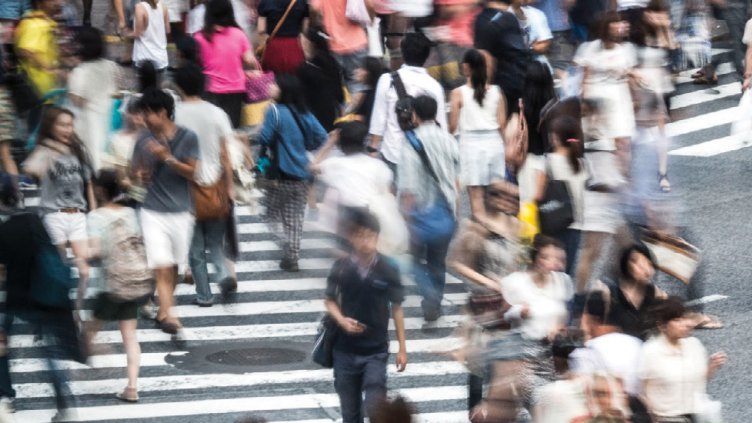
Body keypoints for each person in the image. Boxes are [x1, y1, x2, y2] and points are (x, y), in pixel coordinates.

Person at [0, 173, 83, 422]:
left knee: (3, 346)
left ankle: (6, 397)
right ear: (18, 196)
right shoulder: (35, 220)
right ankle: (64, 404)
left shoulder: (3, 231)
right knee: (50, 355)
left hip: (16, 297)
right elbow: (54, 252)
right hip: (43, 294)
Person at [446, 179, 525, 412]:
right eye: (500, 195)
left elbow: (518, 263)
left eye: (512, 197)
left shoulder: (517, 227)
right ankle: (475, 412)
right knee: (478, 368)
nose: (506, 201)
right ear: (489, 198)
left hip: (507, 305)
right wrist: (488, 281)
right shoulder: (475, 226)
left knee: (504, 364)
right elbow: (454, 262)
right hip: (481, 304)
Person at [324, 208, 407, 423]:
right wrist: (342, 321)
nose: (365, 241)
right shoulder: (341, 267)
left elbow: (397, 308)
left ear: (377, 238)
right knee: (350, 415)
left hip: (375, 352)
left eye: (370, 236)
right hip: (344, 350)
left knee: (376, 410)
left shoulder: (388, 269)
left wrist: (402, 349)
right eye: (360, 235)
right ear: (352, 237)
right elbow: (329, 300)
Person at [130, 88, 199, 334]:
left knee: (175, 269)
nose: (143, 119)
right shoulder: (142, 139)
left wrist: (167, 158)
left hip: (181, 210)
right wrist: (138, 175)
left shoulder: (189, 137)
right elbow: (132, 173)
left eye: (147, 113)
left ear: (161, 113)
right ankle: (171, 315)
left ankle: (163, 310)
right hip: (152, 211)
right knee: (161, 265)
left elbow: (193, 172)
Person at [21, 107, 96, 316]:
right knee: (57, 268)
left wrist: (94, 212)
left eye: (70, 125)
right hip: (53, 214)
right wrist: (49, 152)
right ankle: (56, 307)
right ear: (51, 126)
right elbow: (29, 170)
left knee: (85, 270)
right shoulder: (45, 150)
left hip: (77, 214)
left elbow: (88, 183)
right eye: (62, 124)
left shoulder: (79, 151)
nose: (67, 129)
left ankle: (77, 311)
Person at [173, 64, 235, 307]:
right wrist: (229, 187)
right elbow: (225, 156)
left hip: (185, 188)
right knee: (215, 243)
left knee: (195, 249)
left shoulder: (175, 115)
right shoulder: (217, 113)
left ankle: (204, 295)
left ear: (178, 86)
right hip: (215, 187)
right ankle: (223, 276)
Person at [82, 170, 145, 403]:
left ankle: (99, 357)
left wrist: (80, 254)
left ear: (99, 190)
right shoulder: (130, 212)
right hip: (133, 281)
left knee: (88, 332)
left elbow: (96, 251)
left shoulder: (96, 217)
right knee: (130, 335)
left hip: (110, 285)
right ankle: (132, 386)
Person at [398, 95, 460, 321]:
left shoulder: (411, 142)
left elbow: (408, 187)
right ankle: (435, 302)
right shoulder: (449, 139)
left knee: (412, 261)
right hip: (445, 211)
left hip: (421, 213)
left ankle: (429, 294)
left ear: (414, 114)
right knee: (437, 261)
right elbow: (456, 178)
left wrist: (406, 218)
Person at [258, 74, 327, 272]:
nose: (271, 87)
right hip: (303, 173)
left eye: (275, 84)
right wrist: (304, 145)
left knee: (270, 214)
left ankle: (287, 247)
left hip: (280, 174)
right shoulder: (304, 112)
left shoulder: (273, 111)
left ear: (283, 90)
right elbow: (322, 136)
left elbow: (265, 137)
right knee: (294, 217)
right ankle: (293, 255)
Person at [368, 32, 447, 175]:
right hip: (423, 155)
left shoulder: (387, 80)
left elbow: (378, 121)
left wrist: (373, 151)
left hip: (393, 154)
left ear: (402, 53)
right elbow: (441, 126)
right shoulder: (435, 86)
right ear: (427, 56)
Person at [639, 297, 728, 421]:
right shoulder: (650, 352)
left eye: (686, 318)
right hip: (666, 419)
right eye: (677, 320)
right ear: (662, 325)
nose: (686, 324)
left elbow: (700, 382)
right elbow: (639, 390)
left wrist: (712, 366)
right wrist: (651, 417)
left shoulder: (694, 345)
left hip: (696, 416)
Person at [569, 291, 648, 420]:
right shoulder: (638, 344)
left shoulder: (588, 349)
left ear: (591, 320)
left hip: (603, 415)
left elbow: (583, 390)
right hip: (633, 412)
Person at [448, 49, 507, 223]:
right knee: (496, 194)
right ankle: (497, 230)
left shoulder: (458, 93)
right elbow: (502, 124)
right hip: (495, 144)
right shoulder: (497, 91)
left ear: (466, 67)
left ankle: (481, 235)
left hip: (471, 146)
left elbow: (452, 125)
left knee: (476, 197)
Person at [574, 12, 637, 169]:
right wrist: (584, 102)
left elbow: (630, 76)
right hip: (598, 100)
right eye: (614, 24)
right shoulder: (590, 49)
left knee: (624, 140)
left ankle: (624, 174)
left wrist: (636, 98)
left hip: (621, 99)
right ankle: (606, 174)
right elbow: (584, 77)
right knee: (604, 143)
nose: (619, 27)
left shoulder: (625, 49)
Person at [533, 116, 586, 275]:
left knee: (548, 272)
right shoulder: (582, 163)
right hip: (576, 225)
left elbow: (538, 195)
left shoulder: (546, 161)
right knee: (566, 273)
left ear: (554, 137)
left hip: (552, 225)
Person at [68, 27, 122, 172]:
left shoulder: (80, 72)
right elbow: (117, 92)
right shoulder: (112, 66)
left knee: (92, 159)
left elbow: (76, 101)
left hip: (89, 122)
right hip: (111, 117)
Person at [195, 0, 256, 128]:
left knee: (212, 130)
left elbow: (196, 63)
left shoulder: (200, 37)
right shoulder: (239, 34)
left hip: (209, 90)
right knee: (231, 131)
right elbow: (249, 60)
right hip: (235, 90)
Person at [592, 244, 667, 340]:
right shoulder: (607, 292)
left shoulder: (657, 294)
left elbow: (667, 324)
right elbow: (591, 328)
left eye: (648, 263)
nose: (644, 268)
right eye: (635, 261)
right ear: (626, 265)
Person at [474, 0, 531, 115]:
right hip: (522, 79)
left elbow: (486, 59)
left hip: (502, 86)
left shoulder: (484, 20)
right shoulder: (509, 17)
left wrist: (483, 91)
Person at [309, 0, 369, 93]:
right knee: (357, 83)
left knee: (336, 83)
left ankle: (343, 106)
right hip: (357, 40)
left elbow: (314, 9)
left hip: (333, 42)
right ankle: (357, 106)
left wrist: (314, 24)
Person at [297, 26, 344, 133]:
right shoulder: (332, 62)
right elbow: (339, 94)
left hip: (313, 117)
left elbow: (301, 96)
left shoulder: (304, 69)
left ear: (308, 43)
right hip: (330, 115)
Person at [256, 0, 309, 74]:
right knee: (295, 76)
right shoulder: (302, 3)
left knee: (272, 78)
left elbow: (261, 29)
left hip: (273, 47)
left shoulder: (265, 2)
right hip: (294, 46)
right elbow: (305, 30)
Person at [131, 0, 170, 73]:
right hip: (161, 59)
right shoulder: (163, 6)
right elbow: (168, 30)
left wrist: (125, 33)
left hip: (143, 58)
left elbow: (137, 33)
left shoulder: (140, 7)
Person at [347, 56, 385, 125]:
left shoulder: (369, 96)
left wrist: (353, 106)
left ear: (370, 73)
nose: (356, 71)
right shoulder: (368, 93)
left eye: (362, 68)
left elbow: (366, 119)